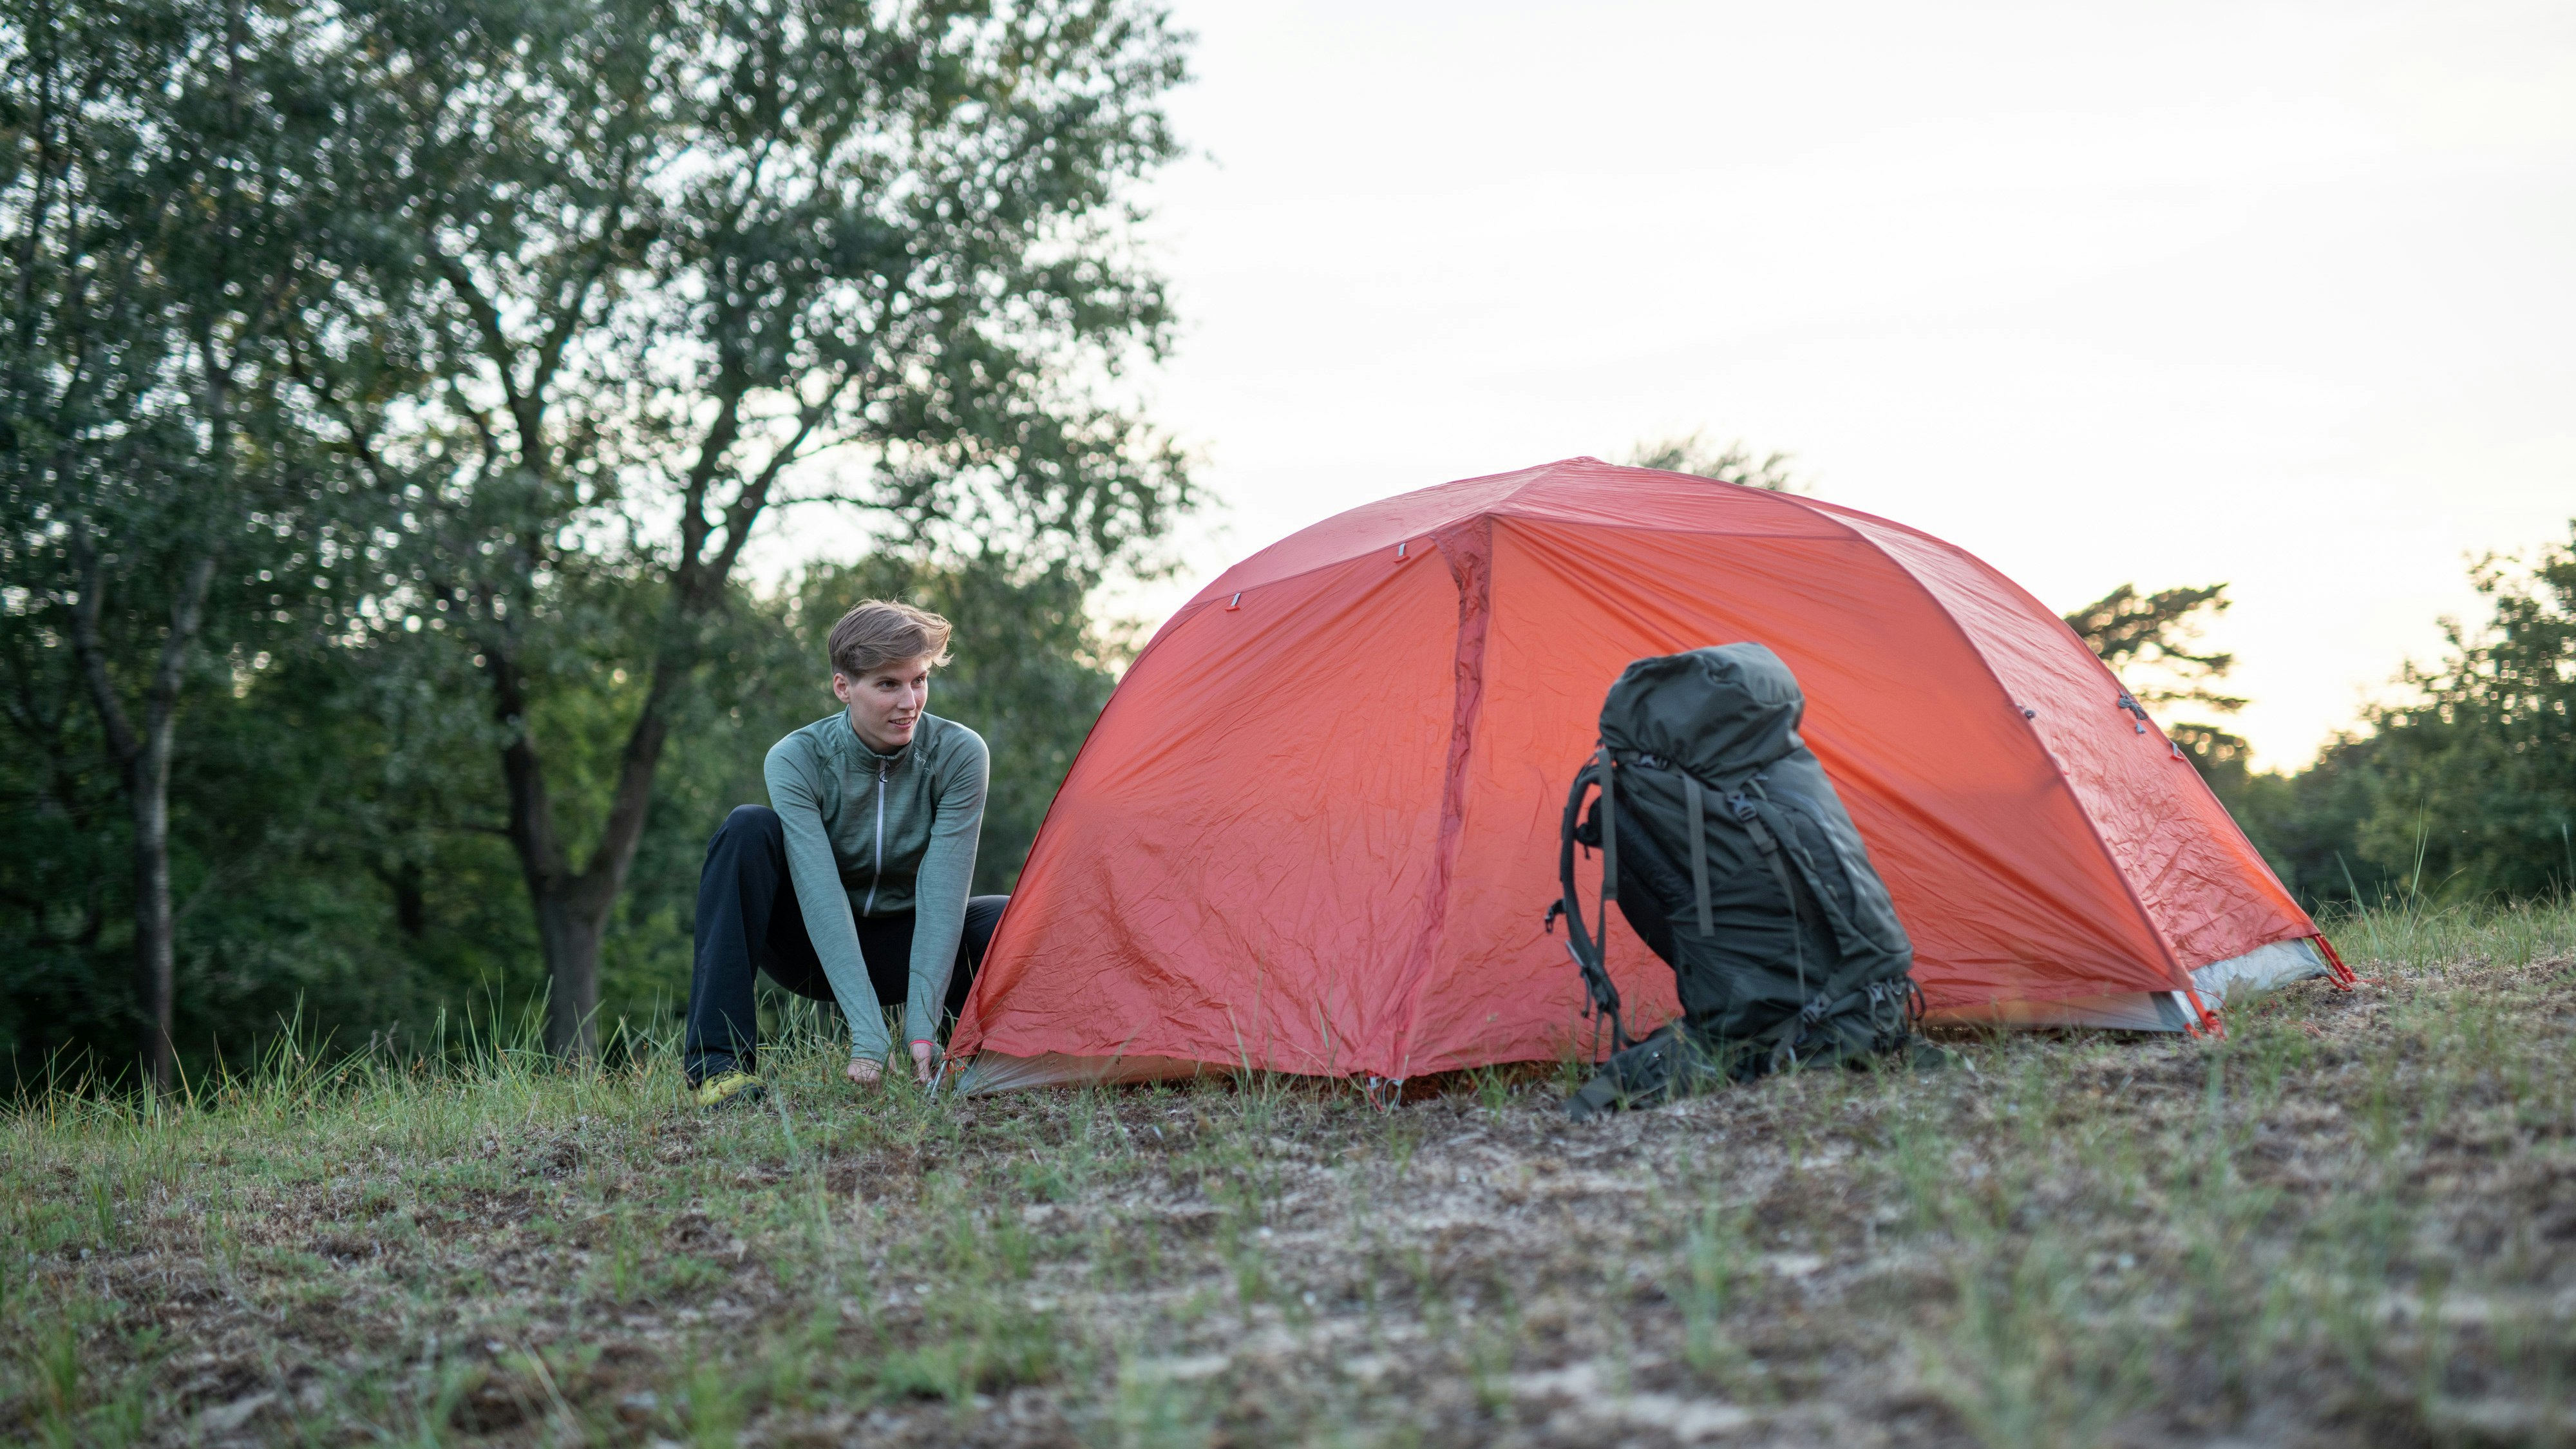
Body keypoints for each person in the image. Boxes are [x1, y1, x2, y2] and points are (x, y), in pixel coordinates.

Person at [683, 600, 1005, 1106]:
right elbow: (819, 893)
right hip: (811, 946)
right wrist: (868, 1033)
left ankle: (966, 1053)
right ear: (843, 687)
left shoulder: (960, 754)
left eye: (918, 680)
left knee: (1007, 916)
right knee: (748, 828)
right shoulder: (798, 758)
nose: (910, 702)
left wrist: (917, 1025)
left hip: (908, 940)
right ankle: (720, 1069)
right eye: (887, 685)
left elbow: (944, 895)